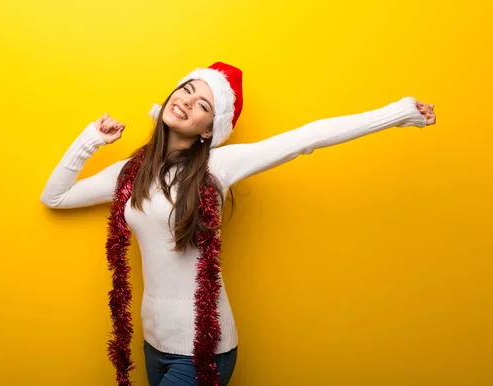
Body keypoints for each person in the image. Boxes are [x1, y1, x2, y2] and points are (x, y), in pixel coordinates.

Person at [40, 62, 436, 386]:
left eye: (204, 105)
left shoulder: (217, 166)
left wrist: (398, 113)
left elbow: (305, 138)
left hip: (202, 351)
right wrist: (91, 139)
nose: (188, 102)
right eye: (187, 90)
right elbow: (54, 197)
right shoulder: (131, 173)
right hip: (153, 344)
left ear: (210, 130)